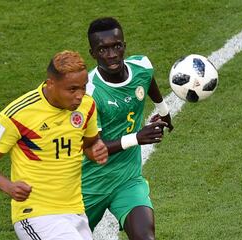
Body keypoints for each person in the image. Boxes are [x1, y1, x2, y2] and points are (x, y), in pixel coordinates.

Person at [0, 50, 108, 240]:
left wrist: (96, 149)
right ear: (51, 84)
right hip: (36, 213)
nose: (79, 95)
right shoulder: (19, 113)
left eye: (83, 87)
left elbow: (88, 145)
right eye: (72, 89)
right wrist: (8, 186)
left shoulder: (87, 106)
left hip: (75, 210)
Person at [82, 17, 174, 240]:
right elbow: (96, 149)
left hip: (127, 180)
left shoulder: (141, 66)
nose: (112, 54)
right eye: (103, 49)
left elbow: (148, 80)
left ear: (124, 45)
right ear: (93, 53)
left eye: (117, 46)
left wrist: (164, 111)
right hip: (89, 184)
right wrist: (137, 138)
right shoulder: (90, 93)